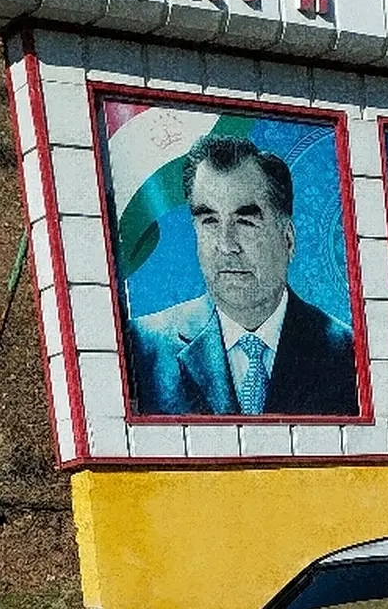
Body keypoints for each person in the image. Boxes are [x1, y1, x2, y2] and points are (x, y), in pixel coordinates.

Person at [127, 134, 359, 418]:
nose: (226, 245)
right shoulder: (142, 348)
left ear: (288, 240)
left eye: (246, 221)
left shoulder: (350, 354)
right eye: (210, 221)